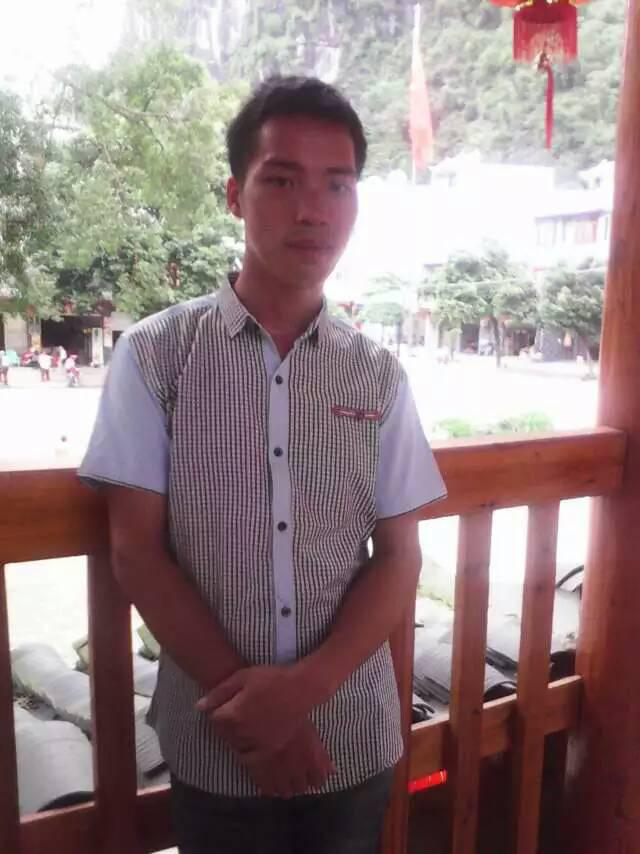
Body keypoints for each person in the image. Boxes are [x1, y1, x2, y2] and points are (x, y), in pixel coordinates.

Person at [79, 76, 446, 854]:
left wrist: (301, 693)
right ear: (234, 197)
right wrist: (259, 716)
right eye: (281, 181)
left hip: (352, 736)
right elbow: (135, 550)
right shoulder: (156, 357)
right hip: (217, 744)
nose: (313, 209)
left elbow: (400, 556)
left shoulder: (378, 376)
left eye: (337, 185)